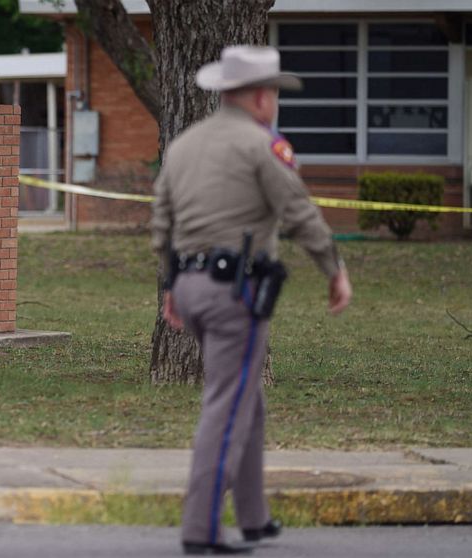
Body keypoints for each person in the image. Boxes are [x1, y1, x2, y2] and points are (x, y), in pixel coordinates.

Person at [150, 46, 353, 555]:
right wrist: (334, 270)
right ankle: (200, 529)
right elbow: (299, 212)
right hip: (233, 294)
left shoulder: (184, 144)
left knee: (246, 402)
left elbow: (161, 223)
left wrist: (171, 286)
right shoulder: (262, 145)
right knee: (225, 405)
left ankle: (255, 518)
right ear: (262, 96)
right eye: (276, 94)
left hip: (191, 288)